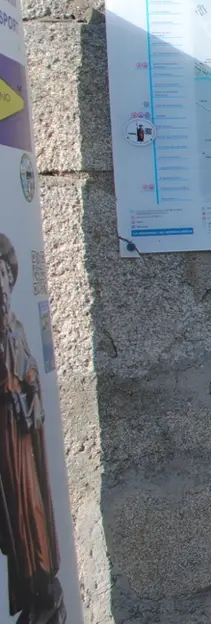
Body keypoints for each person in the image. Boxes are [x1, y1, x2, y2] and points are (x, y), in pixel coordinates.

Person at [0, 233, 65, 624]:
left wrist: (29, 391)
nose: (1, 285)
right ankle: (28, 581)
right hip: (7, 439)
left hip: (23, 435)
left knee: (35, 508)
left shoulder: (18, 328)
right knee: (16, 518)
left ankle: (42, 579)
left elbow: (30, 374)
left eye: (5, 276)